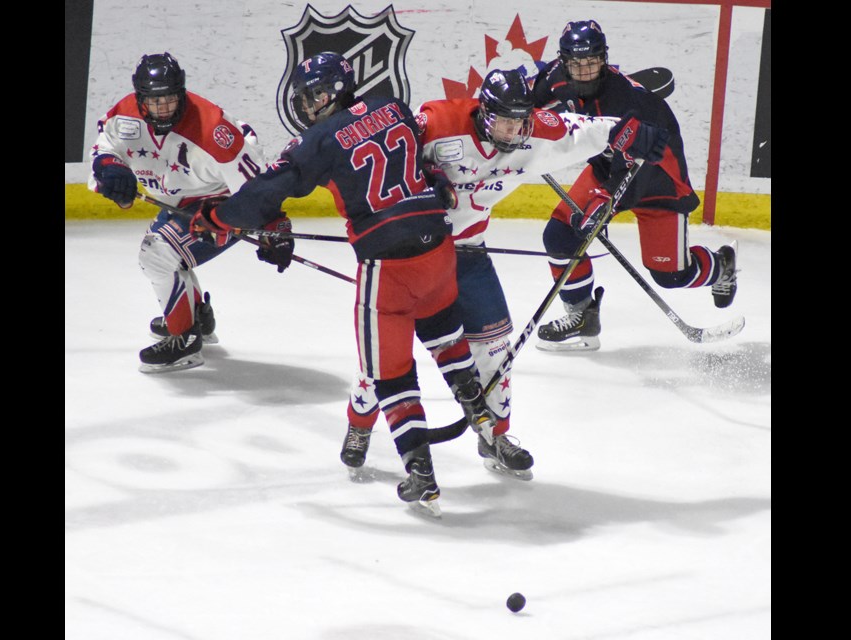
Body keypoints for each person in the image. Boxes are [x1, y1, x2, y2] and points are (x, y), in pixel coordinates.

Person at [190, 52, 499, 517]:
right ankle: (477, 406)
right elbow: (421, 159)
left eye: (316, 93)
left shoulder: (316, 140)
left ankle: (422, 473)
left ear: (338, 88)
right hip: (438, 247)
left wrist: (216, 216)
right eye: (306, 96)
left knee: (390, 373)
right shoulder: (393, 106)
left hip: (387, 263)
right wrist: (435, 187)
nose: (310, 104)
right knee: (444, 330)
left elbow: (262, 195)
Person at [340, 68, 668, 480]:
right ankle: (360, 423)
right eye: (504, 121)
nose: (514, 132)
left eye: (521, 121)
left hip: (469, 254)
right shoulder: (438, 122)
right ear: (483, 112)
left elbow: (587, 130)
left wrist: (631, 133)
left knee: (495, 349)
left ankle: (495, 436)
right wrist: (427, 180)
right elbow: (389, 155)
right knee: (387, 355)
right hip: (410, 254)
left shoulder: (537, 133)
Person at [531, 20, 737, 352]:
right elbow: (527, 99)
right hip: (607, 170)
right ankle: (583, 317)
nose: (584, 70)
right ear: (564, 61)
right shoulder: (557, 77)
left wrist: (604, 203)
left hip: (657, 183)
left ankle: (722, 265)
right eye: (576, 63)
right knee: (559, 235)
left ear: (604, 59)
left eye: (592, 62)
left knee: (670, 276)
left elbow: (637, 169)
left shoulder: (627, 101)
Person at [89, 52, 285, 373]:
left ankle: (185, 343)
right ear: (141, 99)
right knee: (165, 254)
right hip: (179, 201)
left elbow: (256, 188)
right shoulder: (125, 116)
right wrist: (110, 169)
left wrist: (271, 228)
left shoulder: (213, 131)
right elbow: (105, 147)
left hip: (222, 203)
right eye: (154, 102)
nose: (163, 108)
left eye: (169, 99)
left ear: (181, 94)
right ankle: (198, 321)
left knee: (156, 255)